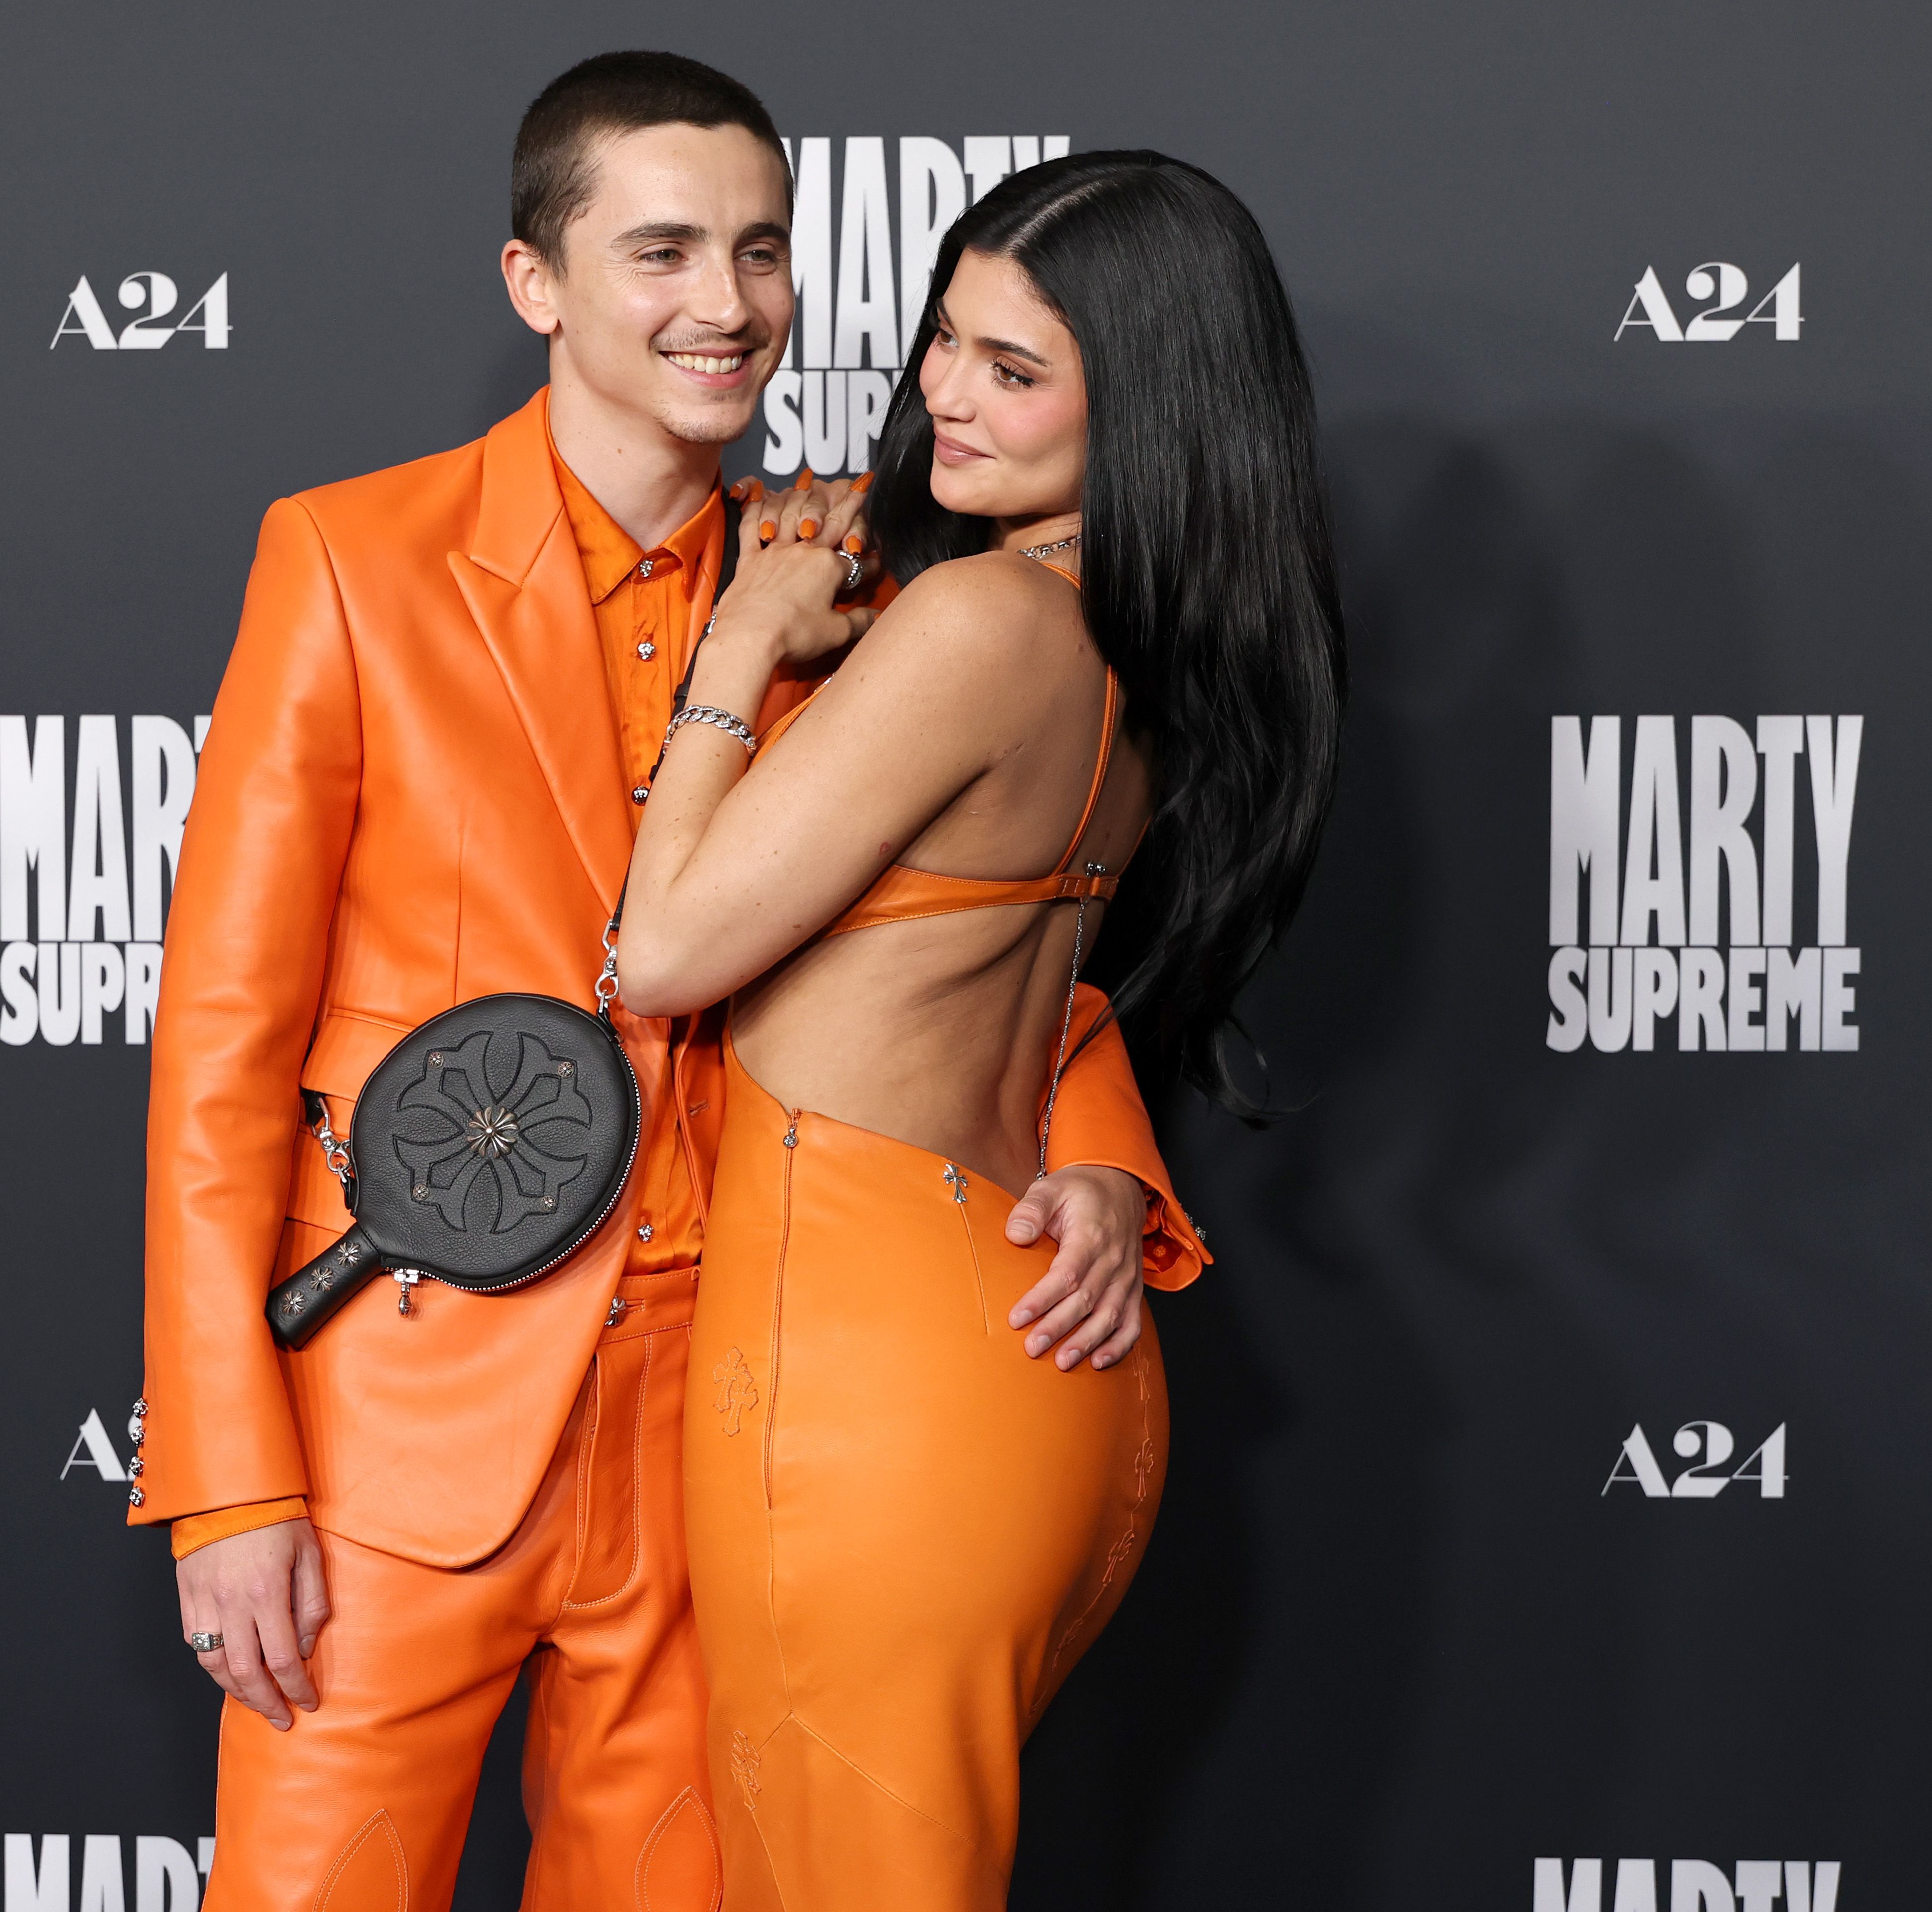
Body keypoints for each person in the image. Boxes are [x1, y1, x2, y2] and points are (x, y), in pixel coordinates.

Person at [131, 57, 1208, 1911]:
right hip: (401, 1425)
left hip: (730, 1435)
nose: (727, 302)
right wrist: (230, 1483)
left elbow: (985, 946)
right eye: (664, 251)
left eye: (761, 251)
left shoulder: (866, 590)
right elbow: (220, 1053)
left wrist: (1102, 1162)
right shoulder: (353, 563)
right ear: (535, 283)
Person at [616, 150, 1345, 1909]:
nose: (944, 392)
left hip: (867, 1381)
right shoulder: (1133, 641)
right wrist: (1111, 1169)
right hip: (1023, 1371)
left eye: (1015, 371)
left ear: (1148, 411)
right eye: (947, 338)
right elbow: (1038, 985)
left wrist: (741, 645)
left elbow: (668, 954)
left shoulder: (978, 619)